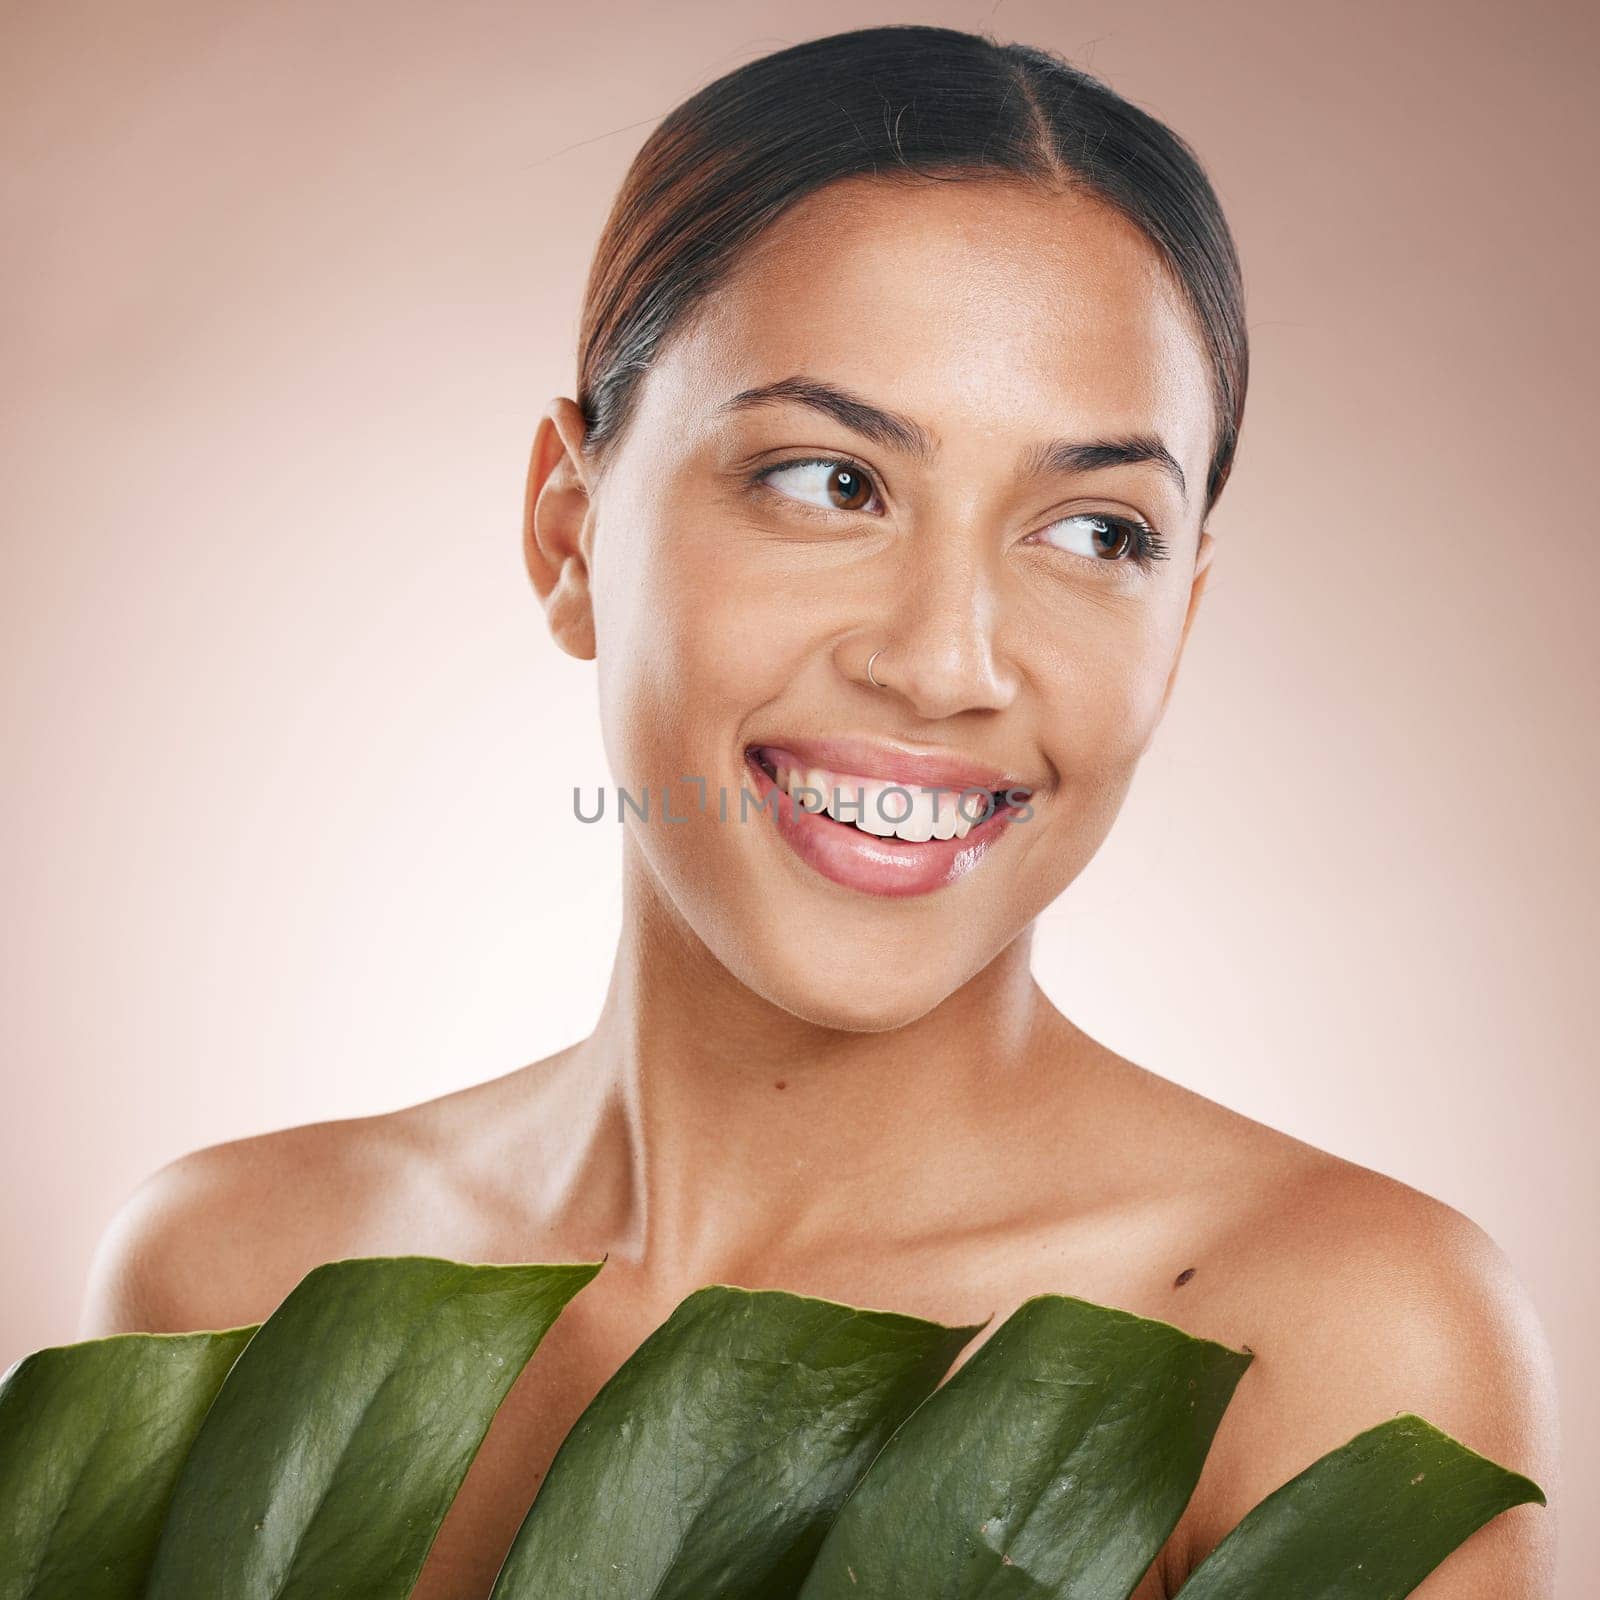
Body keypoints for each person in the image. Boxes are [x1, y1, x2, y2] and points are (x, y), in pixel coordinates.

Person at [77, 24, 1559, 1597]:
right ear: (569, 533)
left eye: (1096, 530)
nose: (944, 663)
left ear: (1181, 617)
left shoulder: (1330, 1339)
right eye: (829, 482)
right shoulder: (228, 1281)